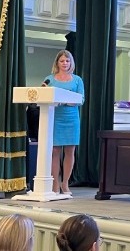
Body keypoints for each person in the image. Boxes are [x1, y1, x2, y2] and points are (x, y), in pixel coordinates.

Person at [44, 49, 85, 195]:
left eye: (67, 61)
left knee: (70, 151)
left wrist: (66, 102)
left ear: (71, 63)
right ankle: (55, 184)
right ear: (57, 63)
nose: (65, 63)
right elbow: (44, 95)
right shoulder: (50, 79)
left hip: (71, 118)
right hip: (55, 117)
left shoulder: (77, 80)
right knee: (55, 151)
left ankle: (65, 183)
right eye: (62, 61)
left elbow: (81, 99)